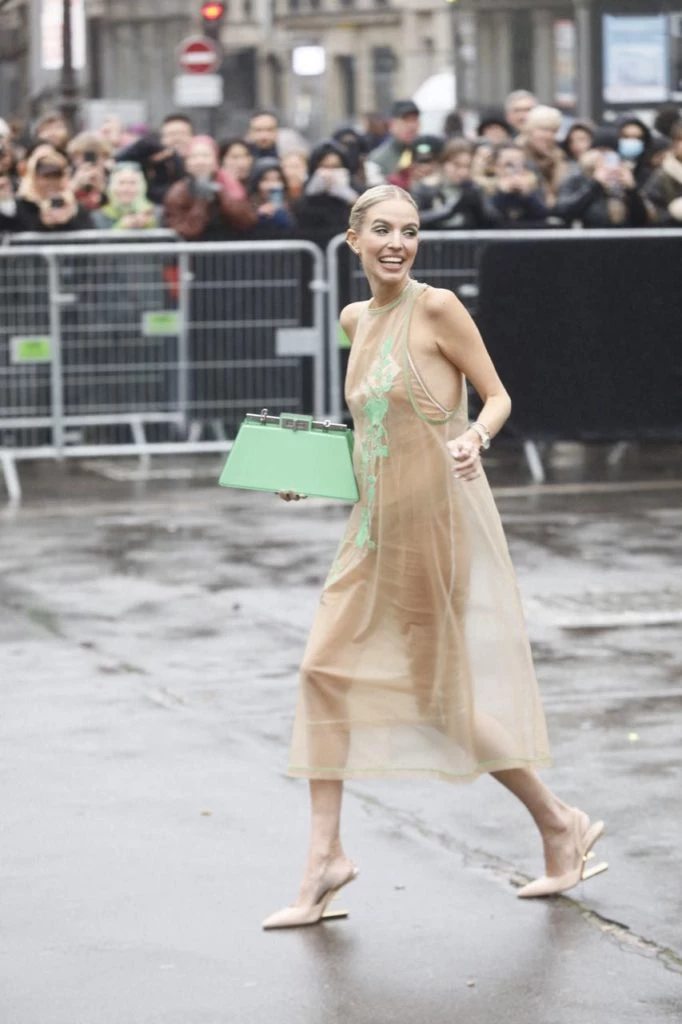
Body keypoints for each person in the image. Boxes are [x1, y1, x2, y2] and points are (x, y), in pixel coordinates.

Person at [263, 183, 607, 930]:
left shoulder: (438, 307)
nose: (398, 243)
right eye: (382, 230)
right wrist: (311, 475)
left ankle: (559, 822)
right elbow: (374, 435)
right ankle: (325, 860)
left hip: (435, 528)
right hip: (371, 527)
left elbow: (497, 397)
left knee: (440, 704)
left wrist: (474, 436)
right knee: (322, 672)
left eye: (410, 231)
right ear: (352, 240)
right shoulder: (356, 317)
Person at [164, 136, 256, 241]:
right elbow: (187, 230)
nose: (201, 161)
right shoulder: (178, 191)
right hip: (194, 251)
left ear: (216, 161)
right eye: (194, 157)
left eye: (206, 156)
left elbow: (247, 221)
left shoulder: (231, 184)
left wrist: (221, 193)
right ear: (187, 163)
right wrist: (202, 201)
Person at [554, 130, 649, 229]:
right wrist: (595, 184)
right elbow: (563, 211)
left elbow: (642, 219)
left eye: (611, 154)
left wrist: (632, 190)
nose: (605, 158)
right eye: (601, 152)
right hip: (588, 239)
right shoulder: (578, 176)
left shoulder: (626, 174)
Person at [0, 143, 94, 234]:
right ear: (34, 178)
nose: (52, 182)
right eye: (46, 176)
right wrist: (43, 223)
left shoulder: (74, 206)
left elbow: (90, 235)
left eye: (57, 175)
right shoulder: (20, 206)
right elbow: (12, 230)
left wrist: (67, 220)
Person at [415, 139, 499, 229]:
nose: (463, 172)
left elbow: (493, 221)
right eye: (457, 165)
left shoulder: (472, 188)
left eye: (467, 166)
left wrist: (478, 205)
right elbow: (415, 219)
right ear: (444, 163)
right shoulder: (425, 188)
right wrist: (449, 211)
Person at [116, 113, 194, 203]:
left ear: (191, 136)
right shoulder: (156, 166)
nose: (177, 138)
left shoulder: (204, 163)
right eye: (171, 134)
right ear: (162, 138)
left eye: (182, 133)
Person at [294, 140, 358, 248]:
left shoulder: (354, 190)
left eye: (335, 167)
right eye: (324, 167)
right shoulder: (306, 193)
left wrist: (348, 196)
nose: (329, 174)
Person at [489, 143, 550, 227]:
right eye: (509, 165)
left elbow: (544, 215)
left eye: (521, 165)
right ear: (495, 167)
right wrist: (501, 194)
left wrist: (527, 195)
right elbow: (487, 218)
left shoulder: (534, 185)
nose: (515, 170)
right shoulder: (483, 188)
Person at [520, 105, 567, 206]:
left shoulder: (559, 158)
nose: (549, 136)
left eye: (553, 131)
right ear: (529, 130)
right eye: (544, 130)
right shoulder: (517, 155)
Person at [93, 163, 159, 230]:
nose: (126, 188)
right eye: (121, 183)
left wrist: (149, 225)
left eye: (132, 183)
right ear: (112, 187)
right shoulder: (99, 217)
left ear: (142, 187)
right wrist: (121, 226)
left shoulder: (157, 214)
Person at [368, 100, 421, 178]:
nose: (411, 126)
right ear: (392, 124)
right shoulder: (379, 159)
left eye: (414, 120)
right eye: (406, 120)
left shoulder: (427, 151)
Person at [642, 122, 682, 226]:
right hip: (672, 233)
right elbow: (649, 206)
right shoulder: (662, 174)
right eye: (680, 140)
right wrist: (672, 215)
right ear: (673, 144)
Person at [247, 157, 297, 238]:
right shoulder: (247, 209)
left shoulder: (293, 205)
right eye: (266, 180)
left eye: (277, 180)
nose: (272, 185)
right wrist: (258, 216)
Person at [67, 131, 112, 211]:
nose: (88, 161)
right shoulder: (66, 175)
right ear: (74, 157)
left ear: (105, 156)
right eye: (84, 155)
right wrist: (74, 185)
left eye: (95, 155)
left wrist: (102, 186)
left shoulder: (113, 175)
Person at [615, 116, 654, 187]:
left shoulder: (651, 173)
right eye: (626, 137)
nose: (631, 141)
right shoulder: (606, 166)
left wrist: (632, 187)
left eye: (637, 138)